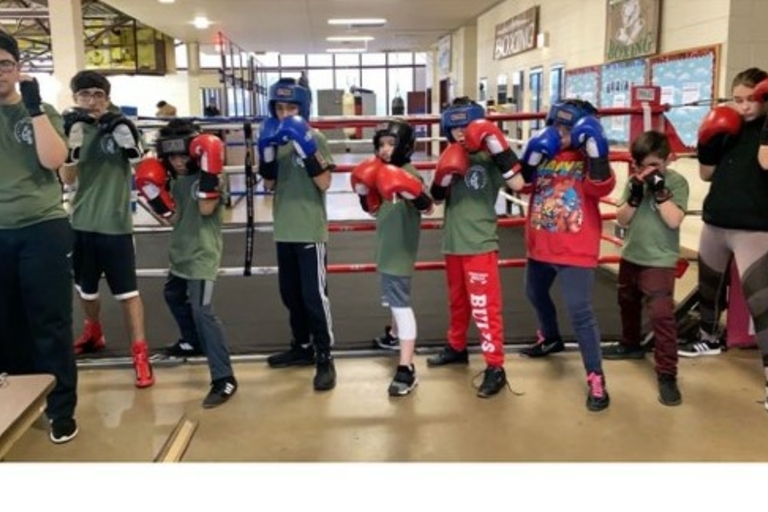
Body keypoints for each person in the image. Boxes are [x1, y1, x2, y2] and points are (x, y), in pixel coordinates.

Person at [0, 32, 78, 443]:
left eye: (5, 64)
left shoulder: (40, 110)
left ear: (17, 68)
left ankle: (61, 408)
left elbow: (53, 159)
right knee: (6, 324)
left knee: (50, 321)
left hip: (42, 227)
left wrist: (32, 108)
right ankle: (23, 402)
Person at [514, 99, 616, 412]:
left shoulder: (590, 159)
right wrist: (531, 158)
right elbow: (523, 187)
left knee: (580, 311)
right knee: (534, 292)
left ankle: (596, 377)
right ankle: (551, 337)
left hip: (576, 248)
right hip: (542, 243)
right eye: (556, 125)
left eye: (568, 128)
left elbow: (602, 188)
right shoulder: (545, 151)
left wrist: (596, 153)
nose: (560, 132)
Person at [58, 70, 154, 388]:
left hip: (116, 225)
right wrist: (72, 145)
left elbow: (142, 168)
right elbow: (67, 179)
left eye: (98, 95)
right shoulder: (72, 128)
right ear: (76, 99)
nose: (92, 101)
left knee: (128, 293)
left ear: (107, 99)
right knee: (86, 290)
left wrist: (127, 139)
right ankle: (93, 330)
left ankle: (140, 355)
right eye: (85, 95)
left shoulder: (122, 127)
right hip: (82, 223)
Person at [135, 119, 238, 407]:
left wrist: (207, 169)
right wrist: (153, 194)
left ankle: (224, 378)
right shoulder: (172, 179)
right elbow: (172, 219)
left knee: (202, 311)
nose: (179, 162)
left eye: (183, 155)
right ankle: (191, 341)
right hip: (180, 252)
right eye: (172, 156)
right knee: (173, 294)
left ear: (195, 152)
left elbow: (206, 208)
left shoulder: (212, 176)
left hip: (203, 254)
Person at [425, 97, 523, 398]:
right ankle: (456, 347)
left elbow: (518, 185)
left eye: (466, 126)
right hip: (453, 243)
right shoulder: (449, 154)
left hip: (480, 243)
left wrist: (497, 146)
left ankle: (496, 366)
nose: (459, 133)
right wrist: (443, 176)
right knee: (458, 303)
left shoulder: (489, 158)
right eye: (454, 127)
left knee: (484, 308)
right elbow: (437, 199)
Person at [685, 68, 768, 405]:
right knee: (709, 286)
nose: (744, 106)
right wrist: (708, 141)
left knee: (762, 302)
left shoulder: (764, 132)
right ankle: (708, 337)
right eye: (738, 99)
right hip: (716, 221)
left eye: (752, 99)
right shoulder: (729, 127)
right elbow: (706, 174)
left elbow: (766, 162)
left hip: (754, 228)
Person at [257, 77, 337, 391]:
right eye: (280, 107)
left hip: (309, 228)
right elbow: (269, 186)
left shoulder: (314, 136)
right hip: (284, 229)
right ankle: (301, 347)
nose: (286, 113)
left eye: (292, 107)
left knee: (314, 297)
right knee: (290, 295)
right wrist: (266, 153)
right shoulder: (273, 137)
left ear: (302, 108)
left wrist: (306, 149)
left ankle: (324, 357)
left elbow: (325, 183)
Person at [603, 131, 689, 406]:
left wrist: (661, 192)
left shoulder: (677, 182)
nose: (646, 171)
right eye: (641, 166)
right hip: (632, 255)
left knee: (662, 316)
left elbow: (674, 221)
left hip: (660, 260)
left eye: (653, 165)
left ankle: (667, 374)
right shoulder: (633, 182)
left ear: (667, 160)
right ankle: (631, 344)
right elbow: (622, 220)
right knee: (627, 301)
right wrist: (635, 197)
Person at [350, 119, 433, 396]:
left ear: (405, 147)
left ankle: (407, 368)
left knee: (400, 305)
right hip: (387, 249)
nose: (385, 149)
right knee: (393, 300)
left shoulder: (408, 173)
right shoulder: (381, 172)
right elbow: (375, 211)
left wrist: (411, 190)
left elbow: (428, 206)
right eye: (381, 144)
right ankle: (394, 337)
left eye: (391, 144)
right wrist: (364, 194)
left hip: (399, 253)